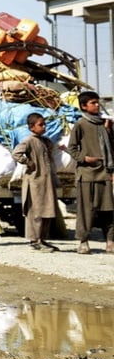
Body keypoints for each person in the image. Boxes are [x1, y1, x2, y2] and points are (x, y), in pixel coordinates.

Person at [66, 91, 114, 255]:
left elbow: (111, 149)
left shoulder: (104, 124)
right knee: (86, 210)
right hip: (86, 175)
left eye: (97, 102)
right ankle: (83, 241)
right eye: (93, 103)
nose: (97, 105)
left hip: (105, 174)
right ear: (84, 106)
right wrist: (85, 158)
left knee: (108, 210)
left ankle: (110, 242)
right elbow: (71, 148)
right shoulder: (80, 124)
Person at [11, 112, 60, 251]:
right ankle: (34, 240)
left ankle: (43, 239)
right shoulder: (29, 141)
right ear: (31, 127)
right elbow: (16, 154)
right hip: (35, 182)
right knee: (36, 212)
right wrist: (29, 162)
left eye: (44, 124)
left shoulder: (44, 141)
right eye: (40, 125)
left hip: (47, 182)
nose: (44, 127)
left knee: (48, 211)